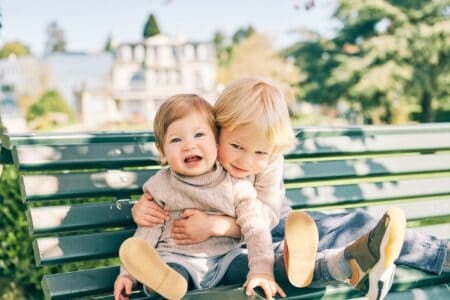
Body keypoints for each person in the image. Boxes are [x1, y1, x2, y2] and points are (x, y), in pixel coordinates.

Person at [131, 78, 423, 299]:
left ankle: (410, 254)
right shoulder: (199, 161)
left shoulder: (266, 158)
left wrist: (217, 225)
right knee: (317, 241)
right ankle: (352, 263)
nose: (247, 161)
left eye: (261, 153)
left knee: (352, 224)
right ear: (216, 131)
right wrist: (142, 209)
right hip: (246, 243)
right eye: (235, 146)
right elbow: (162, 198)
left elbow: (265, 219)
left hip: (272, 224)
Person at [113, 93, 319, 300]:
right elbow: (148, 229)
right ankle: (167, 286)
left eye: (199, 135)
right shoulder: (161, 186)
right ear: (163, 151)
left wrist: (262, 270)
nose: (189, 145)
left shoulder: (234, 184)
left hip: (225, 259)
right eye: (176, 139)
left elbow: (256, 228)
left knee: (256, 266)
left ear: (216, 141)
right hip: (178, 258)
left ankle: (291, 263)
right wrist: (128, 274)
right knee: (170, 274)